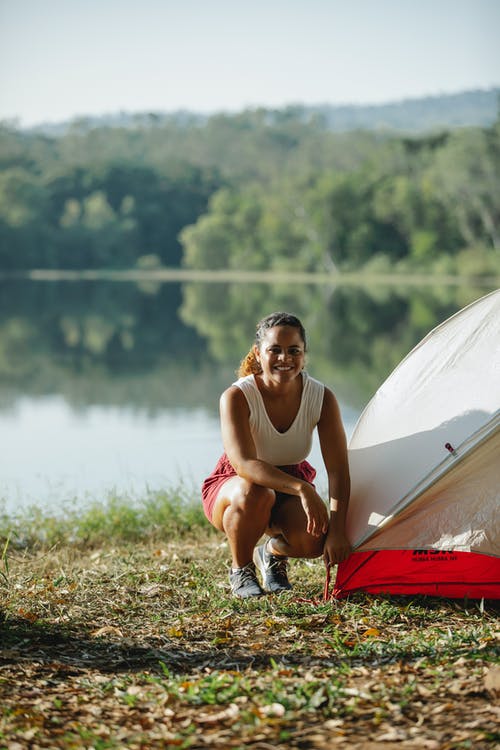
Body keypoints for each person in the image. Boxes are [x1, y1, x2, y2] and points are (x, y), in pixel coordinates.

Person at [202, 311, 351, 598]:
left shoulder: (322, 398)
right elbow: (244, 464)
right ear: (258, 354)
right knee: (255, 493)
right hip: (236, 485)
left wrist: (338, 529)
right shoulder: (236, 397)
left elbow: (338, 470)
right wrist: (302, 488)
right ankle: (241, 570)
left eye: (294, 350)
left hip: (288, 483)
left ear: (304, 355)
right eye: (275, 350)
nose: (285, 358)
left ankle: (271, 554)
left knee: (315, 538)